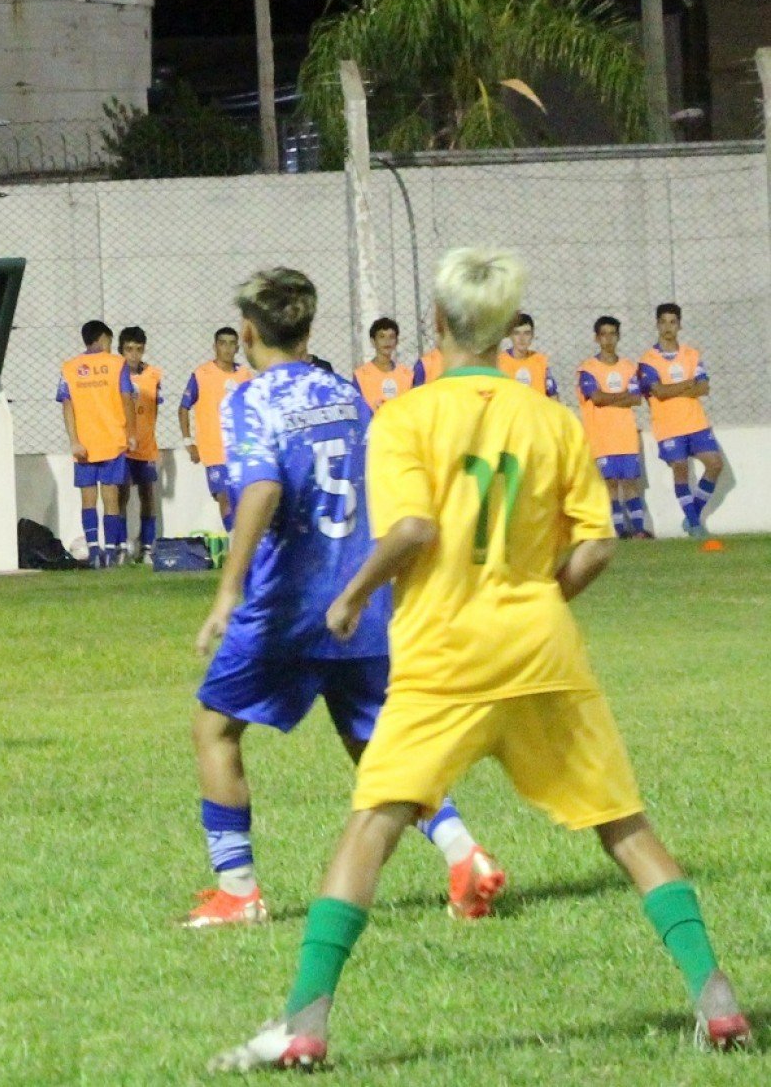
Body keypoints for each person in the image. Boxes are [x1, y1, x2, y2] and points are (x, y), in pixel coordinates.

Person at [208, 248, 750, 1073]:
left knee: (372, 826)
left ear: (435, 323)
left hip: (443, 657)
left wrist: (353, 595)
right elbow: (598, 544)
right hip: (541, 650)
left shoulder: (407, 419)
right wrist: (538, 602)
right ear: (505, 328)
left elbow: (417, 530)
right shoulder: (551, 419)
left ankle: (304, 1025)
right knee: (626, 829)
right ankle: (717, 1000)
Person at [188, 268, 499, 931]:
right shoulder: (345, 391)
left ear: (247, 332)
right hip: (361, 599)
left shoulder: (249, 400)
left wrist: (228, 587)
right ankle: (463, 853)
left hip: (288, 603)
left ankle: (238, 890)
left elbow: (263, 490)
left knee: (214, 728)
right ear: (307, 327)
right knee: (374, 745)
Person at [638, 303, 726, 541]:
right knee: (680, 468)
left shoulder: (691, 354)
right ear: (657, 325)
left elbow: (704, 387)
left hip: (696, 422)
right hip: (669, 426)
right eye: (664, 322)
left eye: (673, 322)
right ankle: (695, 525)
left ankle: (692, 516)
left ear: (679, 325)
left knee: (715, 464)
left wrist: (674, 388)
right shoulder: (648, 361)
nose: (668, 327)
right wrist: (688, 384)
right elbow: (659, 392)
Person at [57, 320, 137, 567]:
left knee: (88, 500)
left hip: (85, 444)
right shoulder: (117, 364)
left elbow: (67, 405)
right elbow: (127, 400)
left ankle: (93, 552)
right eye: (110, 342)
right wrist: (131, 434)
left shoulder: (70, 368)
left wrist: (74, 441)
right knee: (111, 498)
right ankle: (111, 553)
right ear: (103, 339)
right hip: (112, 441)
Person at [578, 316, 653, 540]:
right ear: (596, 338)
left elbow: (636, 398)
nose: (608, 339)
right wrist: (622, 396)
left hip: (625, 435)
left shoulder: (628, 367)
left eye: (612, 334)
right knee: (610, 485)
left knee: (630, 483)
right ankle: (621, 531)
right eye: (604, 334)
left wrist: (611, 397)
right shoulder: (588, 369)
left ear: (618, 337)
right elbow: (596, 397)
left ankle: (638, 530)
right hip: (601, 437)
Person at [179, 327, 252, 528]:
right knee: (224, 497)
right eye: (222, 343)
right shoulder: (201, 374)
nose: (227, 348)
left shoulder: (245, 375)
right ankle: (233, 542)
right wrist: (188, 442)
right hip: (214, 451)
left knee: (244, 501)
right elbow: (183, 408)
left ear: (237, 347)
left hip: (242, 450)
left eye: (231, 343)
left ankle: (245, 549)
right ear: (215, 346)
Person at [117, 326, 163, 563]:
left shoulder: (154, 375)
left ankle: (147, 547)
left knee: (147, 496)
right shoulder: (115, 374)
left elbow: (155, 409)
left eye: (138, 349)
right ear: (121, 350)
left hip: (145, 447)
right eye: (129, 349)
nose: (133, 355)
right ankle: (122, 546)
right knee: (121, 495)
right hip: (122, 447)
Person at [498, 312, 559, 398]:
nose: (521, 338)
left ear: (532, 335)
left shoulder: (540, 361)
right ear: (510, 336)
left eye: (526, 333)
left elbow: (553, 396)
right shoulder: (499, 362)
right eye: (517, 333)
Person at [353, 318, 407, 413]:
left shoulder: (406, 375)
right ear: (373, 341)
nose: (387, 341)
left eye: (391, 337)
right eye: (382, 337)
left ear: (397, 341)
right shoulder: (361, 375)